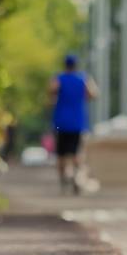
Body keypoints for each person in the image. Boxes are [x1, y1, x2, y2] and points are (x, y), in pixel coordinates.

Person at [49, 54, 98, 195]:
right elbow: (93, 94)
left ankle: (63, 180)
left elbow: (51, 92)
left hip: (60, 122)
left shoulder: (59, 78)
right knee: (76, 152)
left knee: (60, 154)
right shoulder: (83, 79)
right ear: (76, 65)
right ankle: (76, 176)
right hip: (77, 122)